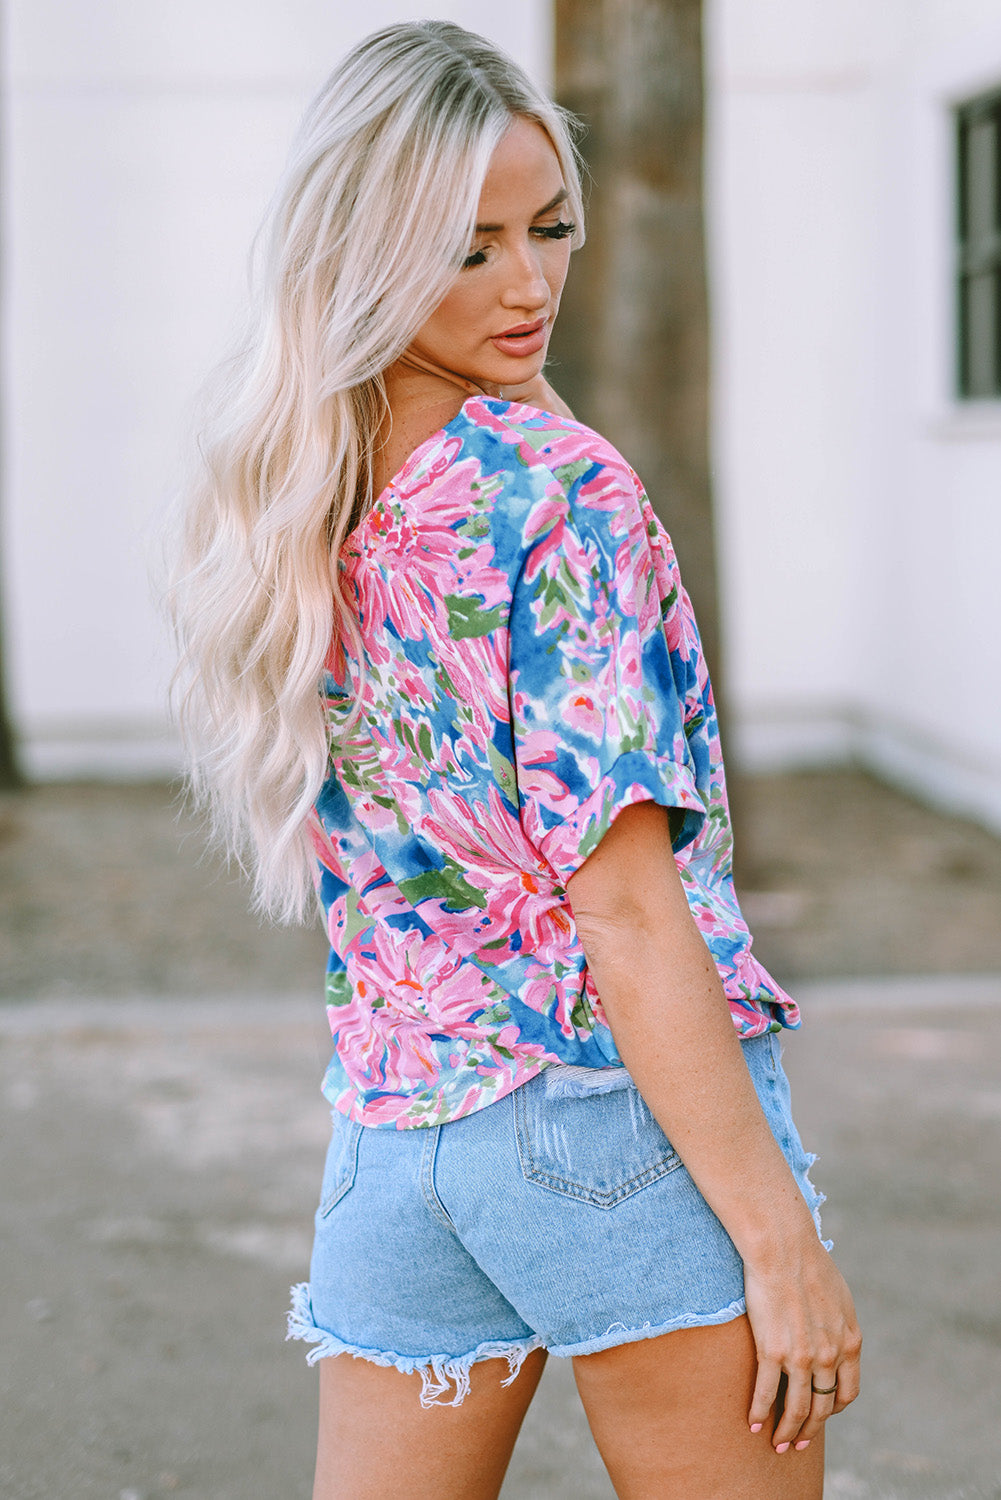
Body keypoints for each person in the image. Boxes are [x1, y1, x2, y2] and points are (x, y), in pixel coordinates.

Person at [171, 20, 861, 1499]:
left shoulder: (310, 504)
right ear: (362, 252)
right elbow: (622, 905)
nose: (530, 283)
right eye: (466, 247)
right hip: (604, 1121)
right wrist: (779, 1239)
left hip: (397, 1141)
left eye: (547, 228)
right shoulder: (557, 490)